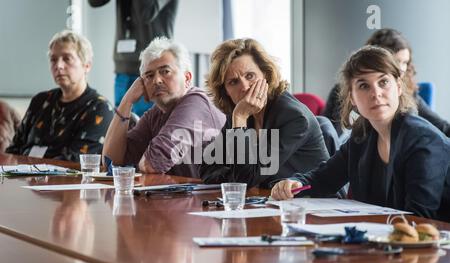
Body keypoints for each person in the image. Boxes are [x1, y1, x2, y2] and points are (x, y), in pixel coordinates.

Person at [271, 46, 450, 222]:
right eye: (364, 85)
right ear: (352, 97)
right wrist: (296, 183)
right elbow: (324, 178)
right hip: (384, 240)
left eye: (383, 82)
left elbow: (418, 220)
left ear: (398, 86)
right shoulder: (362, 135)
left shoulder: (423, 140)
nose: (376, 93)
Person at [200, 38, 329, 188]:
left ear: (266, 75)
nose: (245, 87)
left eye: (250, 76)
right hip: (273, 202)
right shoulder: (240, 113)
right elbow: (207, 170)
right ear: (226, 92)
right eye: (233, 82)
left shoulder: (292, 117)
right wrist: (236, 175)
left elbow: (246, 179)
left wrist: (240, 119)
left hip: (315, 203)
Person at [102, 37, 225, 178]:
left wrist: (138, 165)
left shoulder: (196, 103)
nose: (157, 80)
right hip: (179, 198)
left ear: (187, 78)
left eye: (165, 71)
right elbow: (111, 163)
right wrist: (127, 101)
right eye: (149, 75)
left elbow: (152, 164)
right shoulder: (155, 114)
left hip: (216, 198)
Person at [6, 30, 113, 162]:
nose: (59, 66)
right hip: (24, 179)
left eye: (67, 58)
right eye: (53, 59)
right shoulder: (40, 101)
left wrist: (30, 162)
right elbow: (13, 151)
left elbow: (75, 160)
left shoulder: (100, 108)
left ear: (87, 65)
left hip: (66, 182)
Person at [323, 28, 450, 137]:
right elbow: (327, 133)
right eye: (395, 61)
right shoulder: (340, 91)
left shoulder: (409, 98)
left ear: (399, 88)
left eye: (404, 62)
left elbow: (442, 128)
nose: (400, 68)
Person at [88, 0, 179, 116]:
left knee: (148, 128)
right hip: (122, 69)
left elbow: (145, 13)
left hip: (152, 72)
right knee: (121, 124)